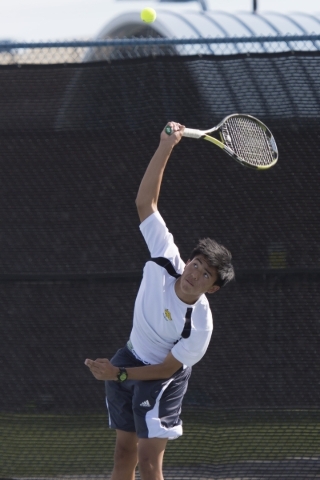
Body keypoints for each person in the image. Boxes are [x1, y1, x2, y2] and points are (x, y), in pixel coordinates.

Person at [85, 121, 235, 480]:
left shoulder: (200, 324)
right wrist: (165, 146)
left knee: (150, 462)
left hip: (162, 378)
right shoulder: (167, 259)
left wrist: (118, 373)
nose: (194, 273)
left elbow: (167, 369)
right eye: (196, 263)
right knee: (124, 454)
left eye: (204, 274)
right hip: (130, 356)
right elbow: (144, 203)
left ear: (212, 288)